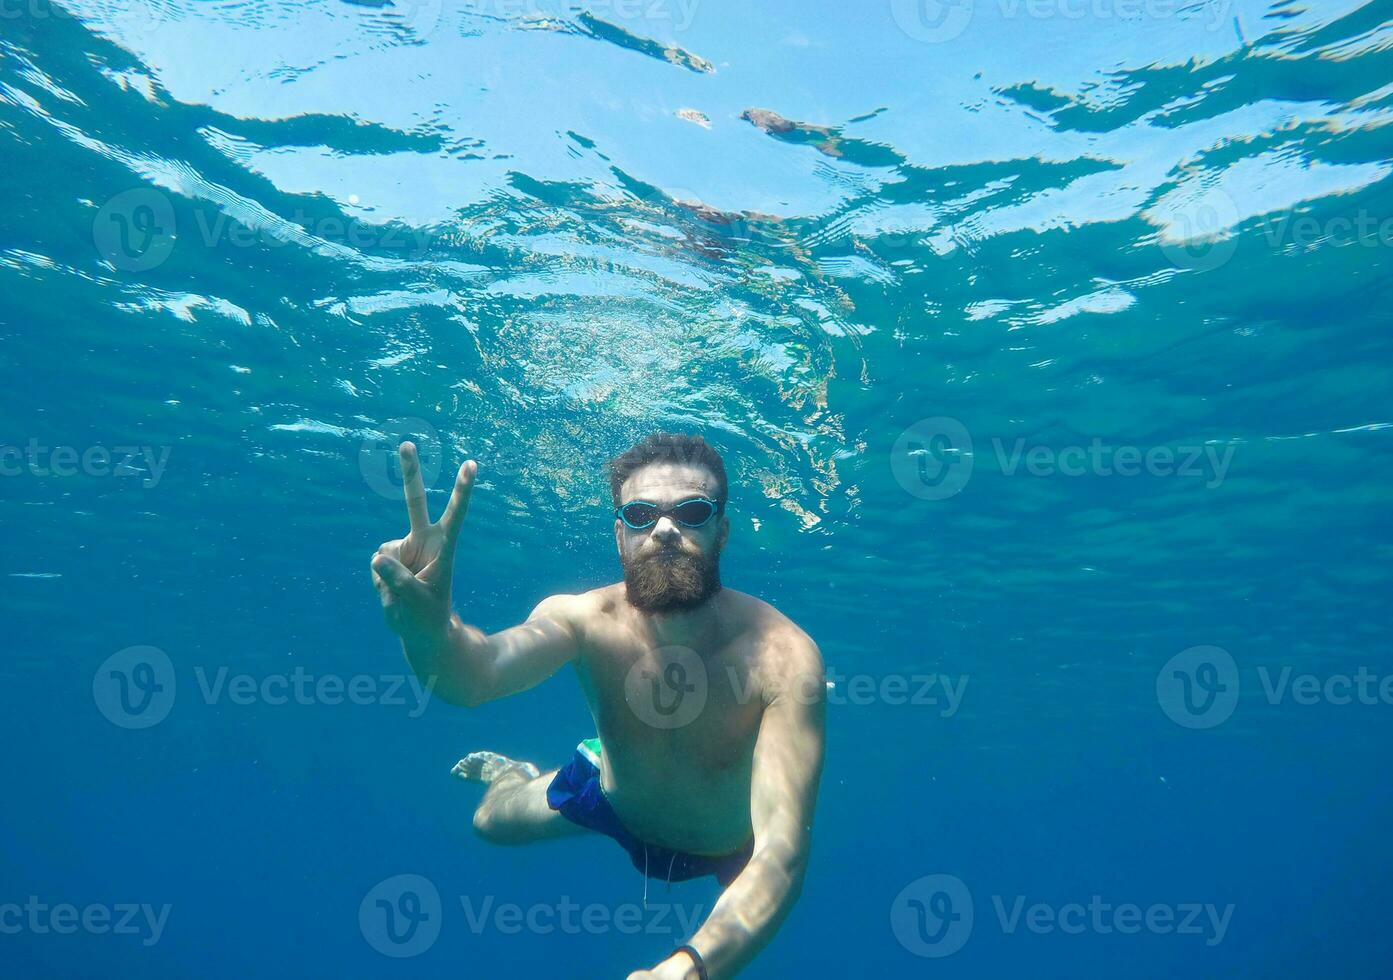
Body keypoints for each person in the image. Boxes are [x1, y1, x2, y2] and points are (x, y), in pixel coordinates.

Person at [370, 432, 825, 979]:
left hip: (729, 841)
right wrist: (426, 634)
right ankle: (516, 774)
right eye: (639, 514)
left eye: (692, 511)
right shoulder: (580, 619)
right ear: (619, 535)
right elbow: (475, 678)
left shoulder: (784, 656)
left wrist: (686, 969)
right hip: (616, 799)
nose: (663, 529)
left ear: (721, 532)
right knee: (488, 820)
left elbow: (781, 853)